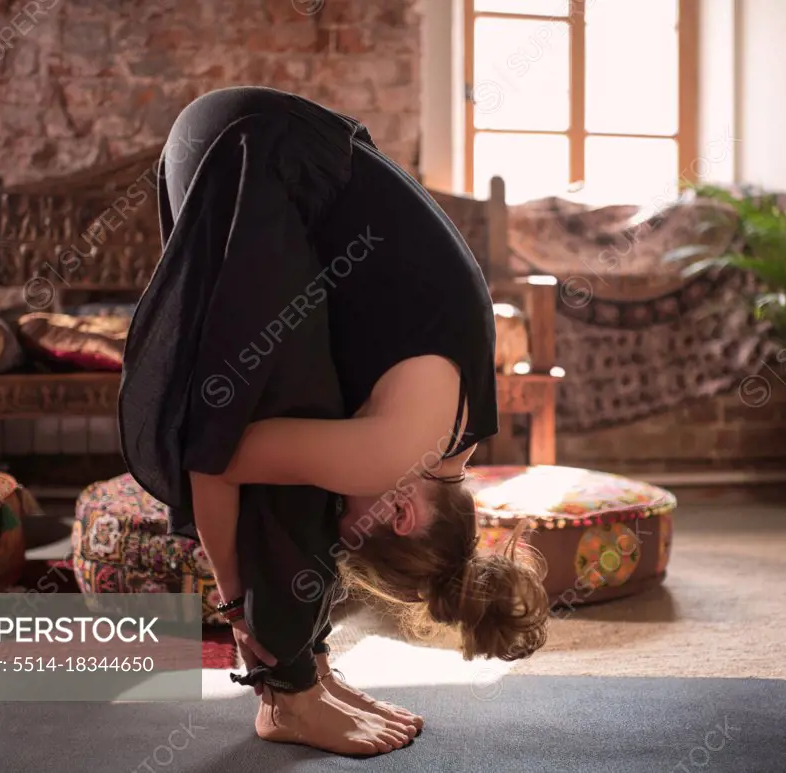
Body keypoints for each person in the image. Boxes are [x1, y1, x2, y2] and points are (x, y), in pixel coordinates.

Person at [119, 86, 549, 757]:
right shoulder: (392, 453)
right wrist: (235, 607)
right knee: (283, 458)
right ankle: (286, 694)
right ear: (402, 513)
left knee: (298, 448)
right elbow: (213, 452)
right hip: (248, 155)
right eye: (354, 529)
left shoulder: (460, 424)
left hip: (251, 143)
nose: (339, 522)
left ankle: (307, 674)